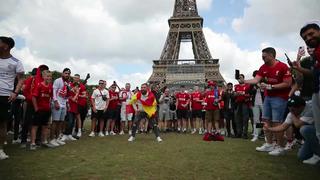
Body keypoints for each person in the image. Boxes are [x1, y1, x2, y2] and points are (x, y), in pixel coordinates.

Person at [244, 47, 292, 156]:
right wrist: (244, 81)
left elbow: (288, 83)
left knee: (277, 122)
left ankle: (280, 146)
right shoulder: (263, 67)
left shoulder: (283, 66)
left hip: (280, 97)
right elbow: (256, 80)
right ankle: (269, 143)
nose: (262, 58)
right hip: (268, 98)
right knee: (265, 120)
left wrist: (271, 86)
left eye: (264, 56)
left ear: (271, 55)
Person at [264, 95, 320, 165]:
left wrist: (292, 113)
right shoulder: (293, 112)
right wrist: (269, 129)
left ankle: (318, 155)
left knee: (304, 129)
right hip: (314, 136)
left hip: (317, 132)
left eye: (294, 109)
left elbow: (297, 124)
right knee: (302, 156)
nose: (291, 110)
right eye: (290, 108)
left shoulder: (310, 109)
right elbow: (283, 127)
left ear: (302, 107)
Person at [0, 36, 24, 160]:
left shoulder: (16, 62)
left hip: (5, 96)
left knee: (2, 123)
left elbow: (20, 79)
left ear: (6, 46)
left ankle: (0, 150)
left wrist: (15, 92)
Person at [300, 22, 320, 141]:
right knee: (318, 130)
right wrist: (298, 67)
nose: (308, 38)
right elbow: (313, 73)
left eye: (311, 34)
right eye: (305, 37)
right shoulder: (315, 54)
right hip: (316, 91)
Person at [30, 70, 53, 150]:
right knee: (35, 126)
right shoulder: (39, 85)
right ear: (43, 77)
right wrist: (36, 108)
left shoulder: (50, 86)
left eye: (50, 76)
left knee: (45, 126)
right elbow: (33, 97)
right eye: (47, 76)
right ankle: (32, 143)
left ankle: (44, 141)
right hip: (39, 110)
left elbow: (51, 97)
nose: (49, 78)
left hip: (47, 110)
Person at [51, 68, 74, 146]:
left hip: (64, 104)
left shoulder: (69, 83)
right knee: (55, 121)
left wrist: (67, 104)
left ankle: (57, 138)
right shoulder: (58, 80)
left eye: (68, 73)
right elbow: (54, 91)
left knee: (61, 122)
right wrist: (55, 101)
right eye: (66, 73)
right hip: (57, 103)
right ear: (62, 73)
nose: (67, 75)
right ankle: (52, 139)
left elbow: (67, 95)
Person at [234, 74, 251, 139]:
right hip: (238, 103)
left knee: (245, 119)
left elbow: (250, 95)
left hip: (245, 103)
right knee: (238, 119)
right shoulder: (236, 86)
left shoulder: (248, 86)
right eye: (238, 78)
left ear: (243, 78)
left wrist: (243, 94)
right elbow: (234, 95)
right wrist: (235, 94)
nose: (239, 79)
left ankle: (245, 133)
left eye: (241, 78)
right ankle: (239, 133)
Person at [250, 71, 264, 142]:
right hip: (255, 103)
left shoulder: (264, 82)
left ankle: (265, 134)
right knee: (256, 119)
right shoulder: (253, 84)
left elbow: (266, 91)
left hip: (263, 102)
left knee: (265, 119)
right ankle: (256, 135)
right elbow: (249, 92)